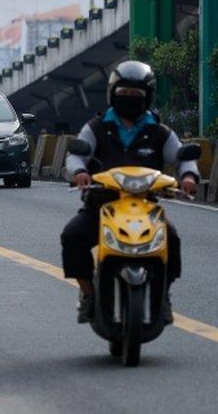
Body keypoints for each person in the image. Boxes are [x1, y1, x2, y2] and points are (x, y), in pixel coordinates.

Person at [62, 60, 198, 324]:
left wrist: (189, 176)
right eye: (124, 94)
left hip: (146, 209)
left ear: (148, 97)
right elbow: (77, 156)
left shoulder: (159, 132)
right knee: (73, 235)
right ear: (113, 94)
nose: (130, 100)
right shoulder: (96, 128)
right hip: (100, 207)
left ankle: (164, 297)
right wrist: (78, 172)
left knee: (172, 238)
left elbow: (182, 158)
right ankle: (89, 295)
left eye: (137, 95)